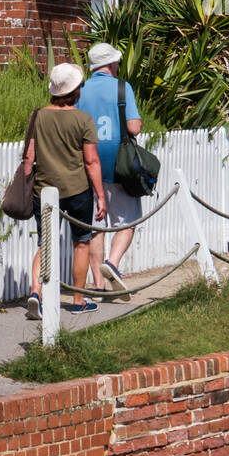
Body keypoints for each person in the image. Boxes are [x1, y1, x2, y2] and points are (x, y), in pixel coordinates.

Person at [24, 62, 106, 319]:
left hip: (44, 190)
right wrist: (101, 195)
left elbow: (29, 157)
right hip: (78, 190)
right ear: (76, 90)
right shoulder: (83, 120)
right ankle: (79, 301)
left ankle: (36, 292)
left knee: (44, 243)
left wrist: (26, 184)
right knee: (81, 243)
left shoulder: (38, 116)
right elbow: (91, 161)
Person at [77, 42, 143, 298]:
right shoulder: (122, 88)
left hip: (89, 164)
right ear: (113, 63)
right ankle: (112, 263)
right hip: (119, 164)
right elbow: (134, 127)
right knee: (127, 221)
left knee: (96, 225)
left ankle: (98, 285)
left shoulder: (80, 90)